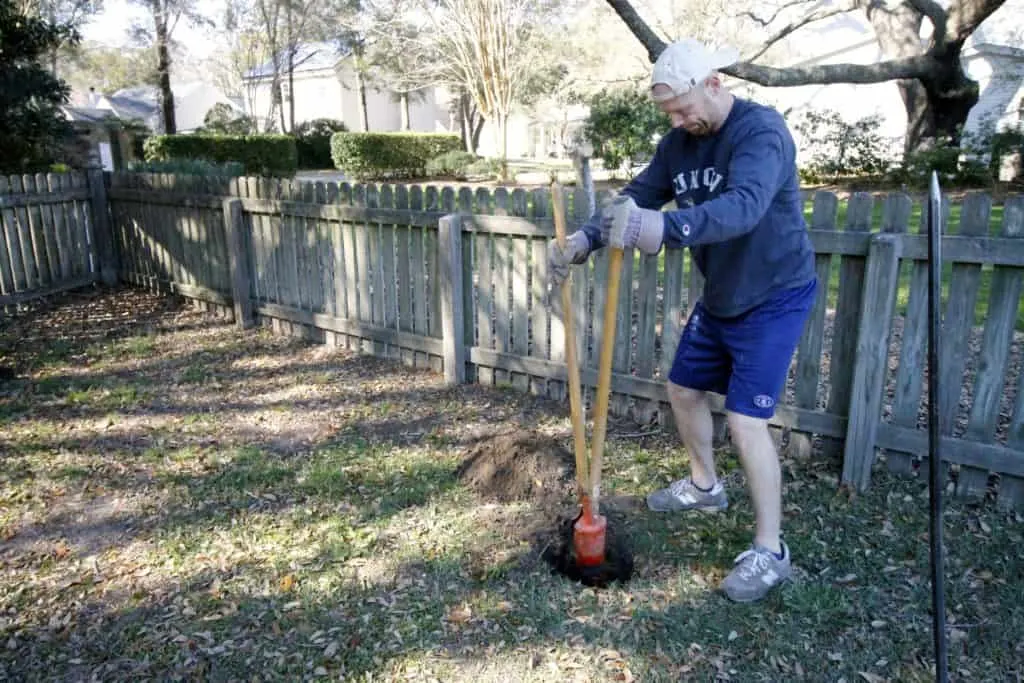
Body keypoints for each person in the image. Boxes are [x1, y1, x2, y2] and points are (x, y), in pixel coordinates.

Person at [548, 38, 818, 603]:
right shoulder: (679, 144)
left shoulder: (760, 133)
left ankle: (771, 551)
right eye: (669, 112)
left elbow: (743, 207)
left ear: (714, 83)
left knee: (746, 422)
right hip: (722, 295)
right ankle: (705, 486)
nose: (677, 120)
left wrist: (665, 230)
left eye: (683, 107)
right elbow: (638, 197)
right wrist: (585, 238)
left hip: (774, 295)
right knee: (683, 389)